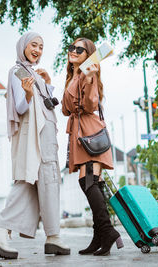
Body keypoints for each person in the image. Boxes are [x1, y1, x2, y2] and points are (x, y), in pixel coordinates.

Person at [0, 32, 70, 259]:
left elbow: (46, 104)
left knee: (36, 183)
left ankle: (47, 236)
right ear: (23, 46)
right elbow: (20, 107)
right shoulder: (17, 71)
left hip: (44, 136)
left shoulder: (33, 73)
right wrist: (29, 94)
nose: (38, 50)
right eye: (34, 44)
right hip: (36, 138)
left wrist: (46, 84)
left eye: (41, 46)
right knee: (42, 179)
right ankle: (8, 231)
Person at [61, 38, 124, 256]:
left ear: (89, 55)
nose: (73, 51)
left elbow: (90, 105)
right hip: (80, 134)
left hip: (90, 134)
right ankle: (101, 236)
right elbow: (65, 110)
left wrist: (88, 78)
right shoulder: (73, 77)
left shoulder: (89, 75)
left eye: (80, 49)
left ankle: (107, 232)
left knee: (87, 180)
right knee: (91, 182)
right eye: (72, 47)